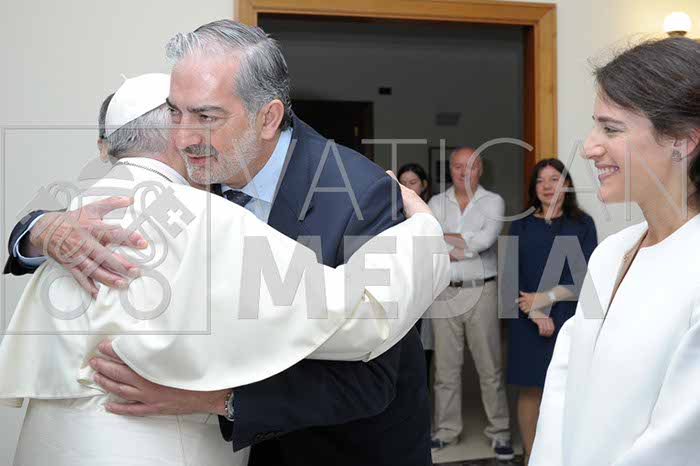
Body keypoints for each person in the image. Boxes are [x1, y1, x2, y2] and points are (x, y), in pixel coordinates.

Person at [4, 20, 438, 466]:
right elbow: (91, 210)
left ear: (267, 118)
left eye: (206, 117)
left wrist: (217, 399)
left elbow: (372, 376)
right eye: (174, 112)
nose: (182, 136)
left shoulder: (357, 193)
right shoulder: (194, 172)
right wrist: (39, 230)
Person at [531, 37, 700, 466]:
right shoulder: (611, 254)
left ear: (682, 140)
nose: (589, 147)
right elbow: (563, 389)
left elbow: (678, 445)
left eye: (611, 129)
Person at [504, 158, 597, 465]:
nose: (547, 186)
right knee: (531, 389)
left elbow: (585, 278)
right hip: (525, 315)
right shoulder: (520, 224)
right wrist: (533, 311)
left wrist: (545, 298)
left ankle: (561, 456)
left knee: (565, 387)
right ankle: (531, 456)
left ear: (566, 184)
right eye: (540, 180)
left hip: (567, 316)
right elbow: (509, 276)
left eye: (554, 179)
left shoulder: (583, 224)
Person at [427, 147, 514, 460]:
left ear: (481, 170)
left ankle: (500, 432)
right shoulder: (436, 203)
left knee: (489, 367)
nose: (464, 172)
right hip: (445, 292)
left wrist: (448, 242)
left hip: (482, 291)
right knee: (445, 370)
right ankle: (446, 431)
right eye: (458, 166)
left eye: (471, 166)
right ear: (450, 169)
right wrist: (461, 243)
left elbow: (485, 240)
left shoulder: (493, 202)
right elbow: (429, 242)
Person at [398, 163, 434, 376]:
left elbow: (439, 247)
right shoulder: (390, 213)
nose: (407, 187)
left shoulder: (431, 211)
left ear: (424, 185)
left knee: (423, 347)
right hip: (402, 288)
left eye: (412, 182)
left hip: (428, 289)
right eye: (402, 183)